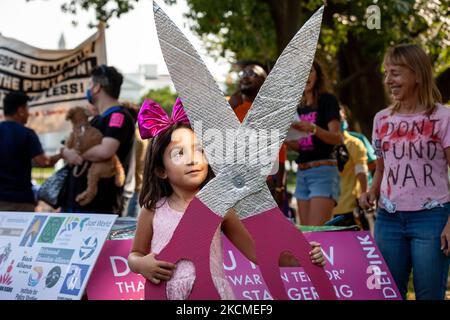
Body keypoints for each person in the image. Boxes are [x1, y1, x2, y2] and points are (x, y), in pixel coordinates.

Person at [128, 98, 326, 300]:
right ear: (161, 170)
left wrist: (302, 256)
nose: (193, 159)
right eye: (179, 153)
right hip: (163, 294)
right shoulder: (153, 209)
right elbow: (135, 254)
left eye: (200, 150)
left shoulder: (220, 207)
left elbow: (257, 252)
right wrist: (142, 264)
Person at [359, 44, 450, 300]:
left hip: (432, 219)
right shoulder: (382, 119)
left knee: (428, 294)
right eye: (387, 73)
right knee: (388, 294)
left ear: (418, 74)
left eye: (395, 73)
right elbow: (382, 168)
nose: (388, 80)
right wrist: (371, 192)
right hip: (389, 218)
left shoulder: (443, 118)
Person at [61, 65, 135, 214]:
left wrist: (75, 153)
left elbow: (105, 151)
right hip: (76, 205)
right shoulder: (96, 120)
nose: (88, 89)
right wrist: (65, 152)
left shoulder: (118, 116)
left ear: (96, 88)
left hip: (99, 208)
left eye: (90, 84)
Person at [286, 60, 342, 226]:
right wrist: (284, 139)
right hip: (302, 172)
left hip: (323, 171)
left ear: (318, 75)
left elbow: (337, 138)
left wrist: (313, 128)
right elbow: (300, 146)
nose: (305, 76)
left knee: (317, 233)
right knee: (307, 234)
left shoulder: (327, 100)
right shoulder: (296, 107)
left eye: (309, 71)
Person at [229, 63, 288, 216]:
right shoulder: (231, 106)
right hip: (232, 182)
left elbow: (279, 151)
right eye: (243, 74)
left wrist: (280, 187)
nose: (246, 76)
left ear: (264, 81)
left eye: (252, 74)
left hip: (263, 184)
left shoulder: (271, 112)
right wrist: (228, 108)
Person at [0, 91, 61, 212]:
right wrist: (62, 154)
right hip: (20, 203)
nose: (29, 114)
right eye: (27, 109)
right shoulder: (27, 134)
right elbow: (44, 162)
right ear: (20, 110)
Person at [332, 106, 369, 227]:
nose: (339, 122)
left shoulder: (355, 143)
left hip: (349, 208)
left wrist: (364, 194)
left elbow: (361, 171)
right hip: (324, 208)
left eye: (340, 118)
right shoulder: (320, 144)